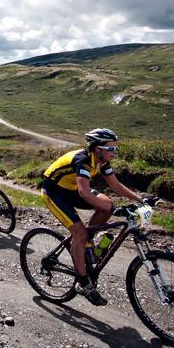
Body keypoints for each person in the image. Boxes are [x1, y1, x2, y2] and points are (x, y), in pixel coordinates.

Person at [40, 128, 144, 307]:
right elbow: (85, 193)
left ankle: (87, 243)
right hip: (54, 192)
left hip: (71, 190)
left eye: (115, 148)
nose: (114, 152)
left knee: (105, 206)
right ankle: (83, 282)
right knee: (79, 233)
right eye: (110, 148)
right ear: (98, 148)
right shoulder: (84, 160)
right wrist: (117, 209)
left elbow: (116, 185)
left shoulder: (102, 161)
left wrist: (140, 199)